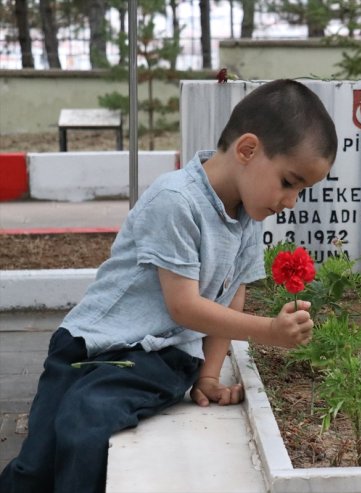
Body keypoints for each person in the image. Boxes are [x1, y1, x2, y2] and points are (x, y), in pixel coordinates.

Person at [0, 79, 338, 493]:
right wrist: (268, 331)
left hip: (155, 357)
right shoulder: (176, 200)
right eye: (289, 182)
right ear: (247, 150)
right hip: (85, 343)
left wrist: (209, 375)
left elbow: (231, 296)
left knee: (84, 423)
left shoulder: (248, 218)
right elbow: (185, 307)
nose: (291, 201)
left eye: (301, 190)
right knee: (34, 467)